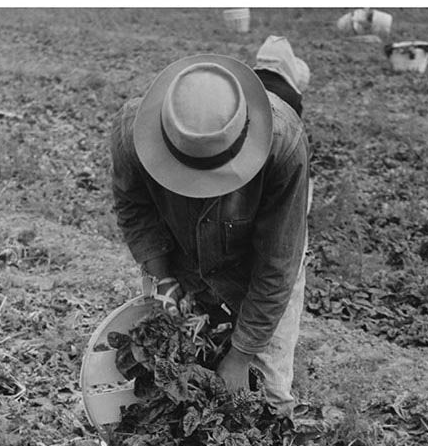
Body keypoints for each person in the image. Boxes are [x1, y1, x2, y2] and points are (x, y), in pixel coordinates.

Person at [110, 38, 310, 414]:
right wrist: (162, 278)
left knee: (267, 398)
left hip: (254, 263)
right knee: (171, 387)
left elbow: (277, 264)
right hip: (181, 256)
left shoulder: (284, 146)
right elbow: (134, 208)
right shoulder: (131, 135)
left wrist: (241, 354)